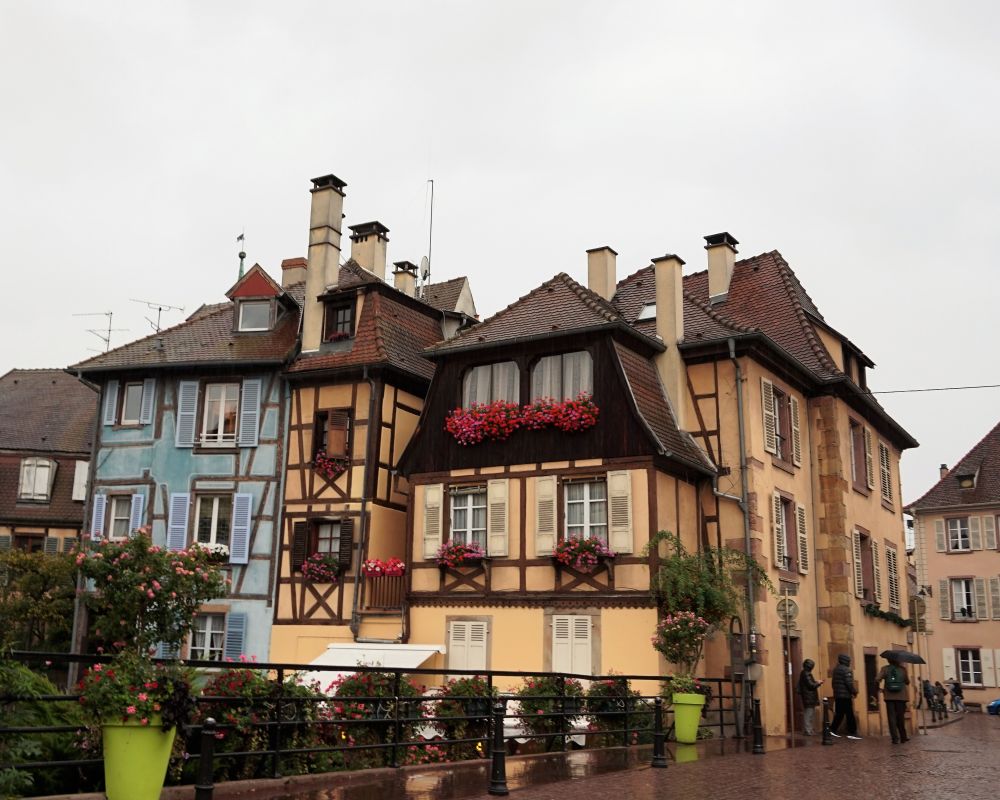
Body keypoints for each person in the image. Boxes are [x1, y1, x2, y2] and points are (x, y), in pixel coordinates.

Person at [877, 657, 911, 744]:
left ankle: (895, 739)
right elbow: (907, 682)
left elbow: (877, 679)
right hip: (901, 697)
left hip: (889, 697)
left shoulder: (885, 669)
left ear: (889, 660)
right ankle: (903, 737)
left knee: (891, 718)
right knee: (900, 717)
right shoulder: (903, 669)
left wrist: (879, 688)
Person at [829, 653, 861, 740]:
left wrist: (836, 692)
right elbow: (849, 683)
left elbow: (833, 683)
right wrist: (854, 692)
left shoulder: (836, 670)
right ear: (846, 661)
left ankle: (832, 729)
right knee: (849, 714)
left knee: (839, 713)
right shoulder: (847, 670)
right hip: (846, 696)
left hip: (838, 695)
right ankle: (853, 731)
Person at [797, 658, 823, 735]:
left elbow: (810, 683)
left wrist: (816, 682)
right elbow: (811, 685)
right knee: (809, 714)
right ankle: (808, 730)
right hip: (809, 696)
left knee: (810, 713)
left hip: (808, 696)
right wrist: (818, 683)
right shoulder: (806, 673)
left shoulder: (805, 673)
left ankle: (809, 730)